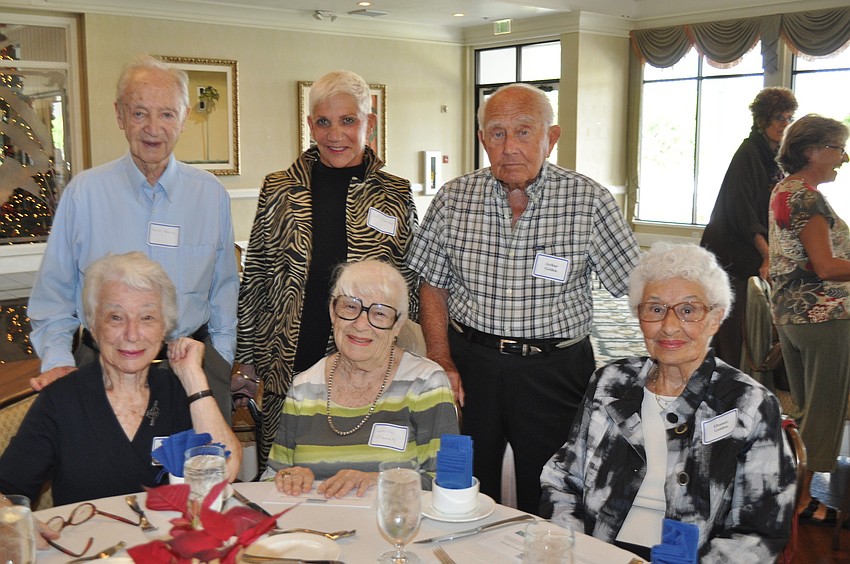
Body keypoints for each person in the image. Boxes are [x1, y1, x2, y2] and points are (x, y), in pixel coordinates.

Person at [407, 83, 640, 514]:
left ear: (551, 138)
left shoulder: (588, 201)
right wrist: (441, 356)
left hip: (555, 370)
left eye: (524, 132)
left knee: (554, 485)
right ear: (483, 141)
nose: (510, 146)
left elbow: (636, 286)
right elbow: (432, 283)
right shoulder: (454, 198)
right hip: (470, 365)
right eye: (497, 134)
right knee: (463, 482)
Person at [540, 242, 795, 562]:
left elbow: (762, 529)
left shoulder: (748, 404)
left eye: (688, 310)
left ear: (715, 318)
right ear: (639, 315)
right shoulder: (611, 382)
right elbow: (563, 479)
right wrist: (572, 548)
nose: (669, 326)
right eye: (655, 309)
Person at [27, 54, 239, 423]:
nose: (152, 128)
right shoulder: (84, 194)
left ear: (185, 117)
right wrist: (60, 362)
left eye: (167, 114)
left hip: (191, 372)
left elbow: (224, 290)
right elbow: (53, 297)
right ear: (120, 116)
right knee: (105, 480)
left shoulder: (210, 195)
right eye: (139, 113)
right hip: (103, 370)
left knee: (202, 476)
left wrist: (219, 360)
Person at [236, 70, 418, 470]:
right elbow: (257, 277)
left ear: (369, 124)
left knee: (359, 464)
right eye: (324, 121)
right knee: (286, 466)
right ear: (310, 126)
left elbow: (409, 283)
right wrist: (246, 358)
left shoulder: (395, 193)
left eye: (348, 120)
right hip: (288, 354)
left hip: (367, 353)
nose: (335, 134)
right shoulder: (280, 188)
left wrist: (410, 357)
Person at [0, 253, 242, 506]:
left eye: (147, 318)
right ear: (93, 326)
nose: (132, 334)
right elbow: (6, 491)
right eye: (116, 317)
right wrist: (20, 523)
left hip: (170, 542)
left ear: (164, 329)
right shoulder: (62, 399)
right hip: (89, 543)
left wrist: (194, 378)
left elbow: (226, 471)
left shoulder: (180, 392)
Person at [262, 260, 457, 498]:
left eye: (380, 313)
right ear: (333, 312)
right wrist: (289, 478)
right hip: (317, 529)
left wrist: (378, 480)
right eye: (350, 307)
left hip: (396, 526)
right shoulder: (305, 387)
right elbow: (272, 476)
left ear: (397, 325)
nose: (361, 324)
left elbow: (448, 481)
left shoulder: (426, 383)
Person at [768, 114, 850, 523]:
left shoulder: (786, 190)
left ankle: (789, 488)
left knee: (805, 407)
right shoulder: (807, 197)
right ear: (810, 151)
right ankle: (804, 502)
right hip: (822, 315)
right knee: (824, 409)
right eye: (837, 148)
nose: (844, 157)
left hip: (792, 315)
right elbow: (827, 266)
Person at [701, 87, 798, 369]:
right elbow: (742, 212)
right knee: (735, 320)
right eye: (779, 118)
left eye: (789, 118)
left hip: (753, 247)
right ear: (761, 120)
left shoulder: (777, 156)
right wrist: (767, 255)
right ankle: (729, 375)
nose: (784, 124)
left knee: (754, 319)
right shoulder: (748, 154)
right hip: (733, 249)